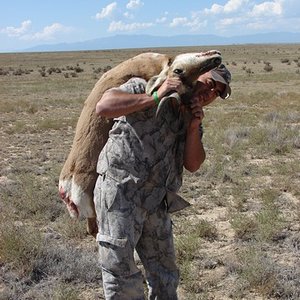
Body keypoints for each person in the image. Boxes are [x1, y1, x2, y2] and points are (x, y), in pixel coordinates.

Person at [93, 63, 231, 299]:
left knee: (165, 274)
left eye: (217, 92)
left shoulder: (190, 115)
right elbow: (104, 106)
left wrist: (193, 128)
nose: (210, 94)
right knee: (122, 273)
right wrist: (155, 96)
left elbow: (193, 164)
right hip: (120, 193)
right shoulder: (146, 85)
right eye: (210, 84)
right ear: (195, 75)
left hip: (156, 201)